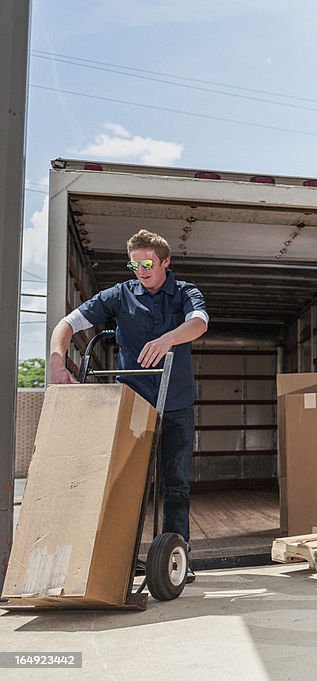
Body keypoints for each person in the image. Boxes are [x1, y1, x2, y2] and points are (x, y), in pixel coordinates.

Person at [47, 229, 209, 583]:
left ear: (166, 262)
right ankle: (119, 556)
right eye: (134, 264)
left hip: (176, 402)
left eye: (148, 262)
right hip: (132, 402)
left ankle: (177, 556)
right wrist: (58, 363)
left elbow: (198, 323)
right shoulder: (119, 295)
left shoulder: (184, 293)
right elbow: (67, 324)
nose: (141, 270)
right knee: (126, 480)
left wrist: (169, 338)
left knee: (176, 483)